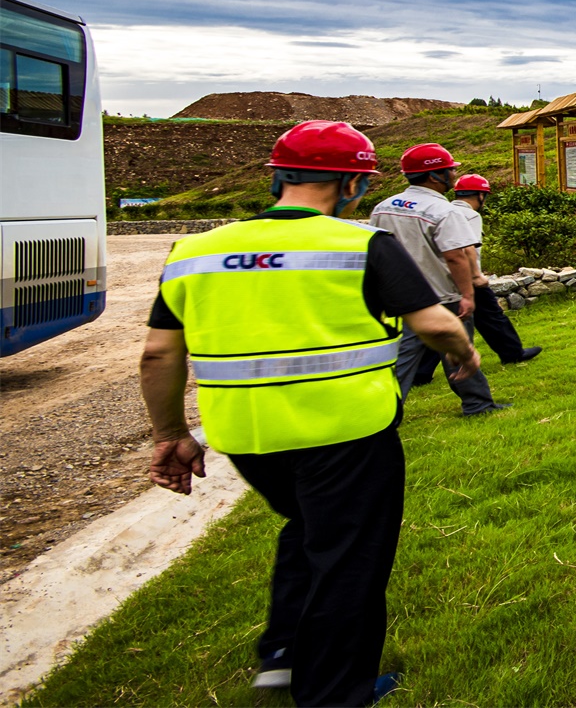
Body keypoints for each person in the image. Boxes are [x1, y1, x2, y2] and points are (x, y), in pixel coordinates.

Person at [141, 121, 482, 705]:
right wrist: (463, 354)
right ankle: (334, 692)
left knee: (305, 526)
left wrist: (171, 434)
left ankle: (282, 653)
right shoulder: (359, 244)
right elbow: (433, 321)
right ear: (352, 182)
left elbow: (157, 353)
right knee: (351, 557)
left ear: (278, 177)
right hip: (347, 431)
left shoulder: (194, 250)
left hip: (245, 435)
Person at [369, 143, 506, 416]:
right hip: (443, 295)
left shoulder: (383, 207)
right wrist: (467, 295)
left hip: (404, 296)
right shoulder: (444, 211)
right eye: (449, 171)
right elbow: (457, 256)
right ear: (435, 176)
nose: (453, 176)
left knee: (404, 354)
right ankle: (477, 404)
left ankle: (386, 409)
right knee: (459, 351)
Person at [439, 174, 541, 369]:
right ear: (480, 195)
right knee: (492, 316)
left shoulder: (445, 210)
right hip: (466, 276)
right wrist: (476, 276)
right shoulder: (470, 215)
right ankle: (512, 353)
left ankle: (421, 372)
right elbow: (467, 248)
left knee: (442, 321)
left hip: (442, 276)